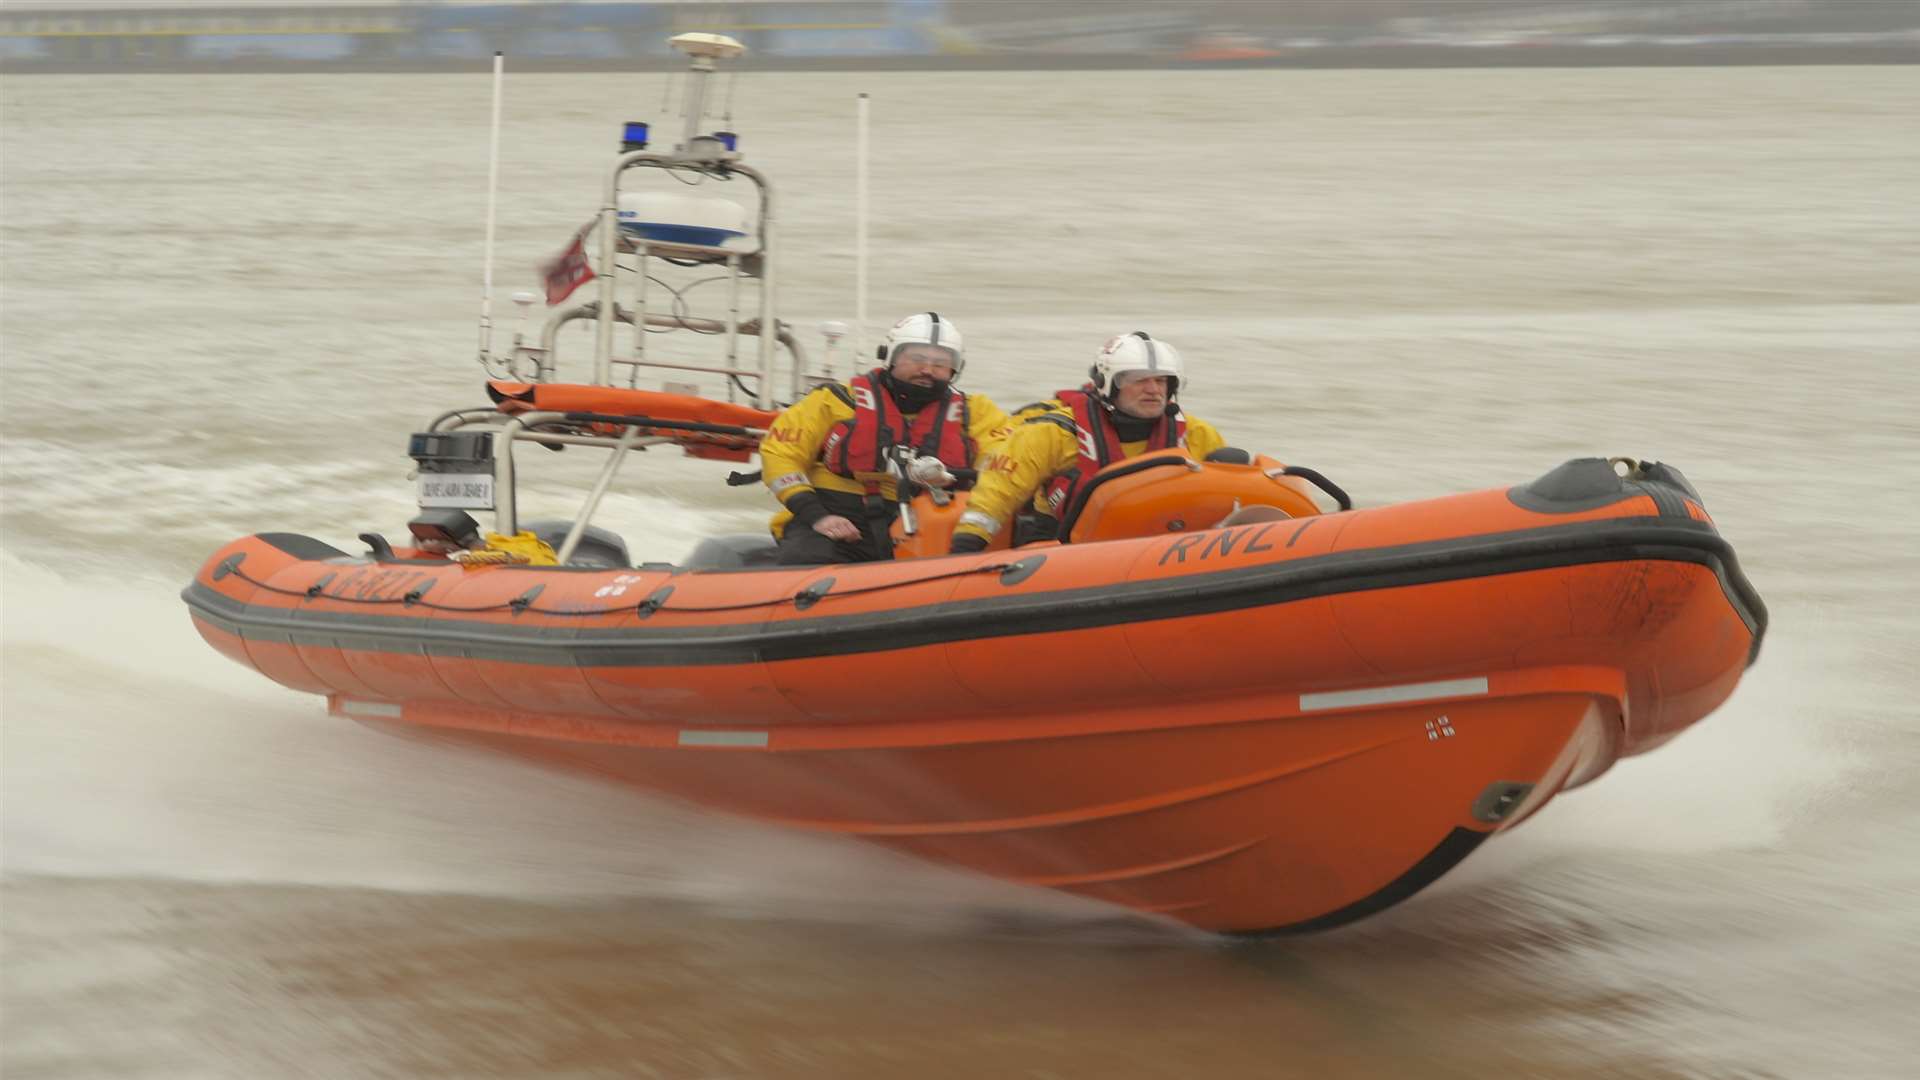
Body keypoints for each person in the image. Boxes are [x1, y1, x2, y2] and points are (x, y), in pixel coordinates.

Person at [761, 312, 1012, 564]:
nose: (927, 370)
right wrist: (817, 516)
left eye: (940, 363)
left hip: (931, 520)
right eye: (916, 358)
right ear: (890, 356)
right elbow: (780, 454)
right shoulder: (835, 400)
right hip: (838, 517)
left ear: (955, 368)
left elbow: (1006, 462)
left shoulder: (976, 411)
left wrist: (955, 475)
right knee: (805, 559)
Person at [949, 331, 1227, 553]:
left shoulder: (1196, 434)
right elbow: (996, 495)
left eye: (1161, 381)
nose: (1153, 389)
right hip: (1066, 552)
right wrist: (966, 547)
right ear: (1109, 384)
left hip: (1164, 549)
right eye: (1138, 380)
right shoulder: (1053, 433)